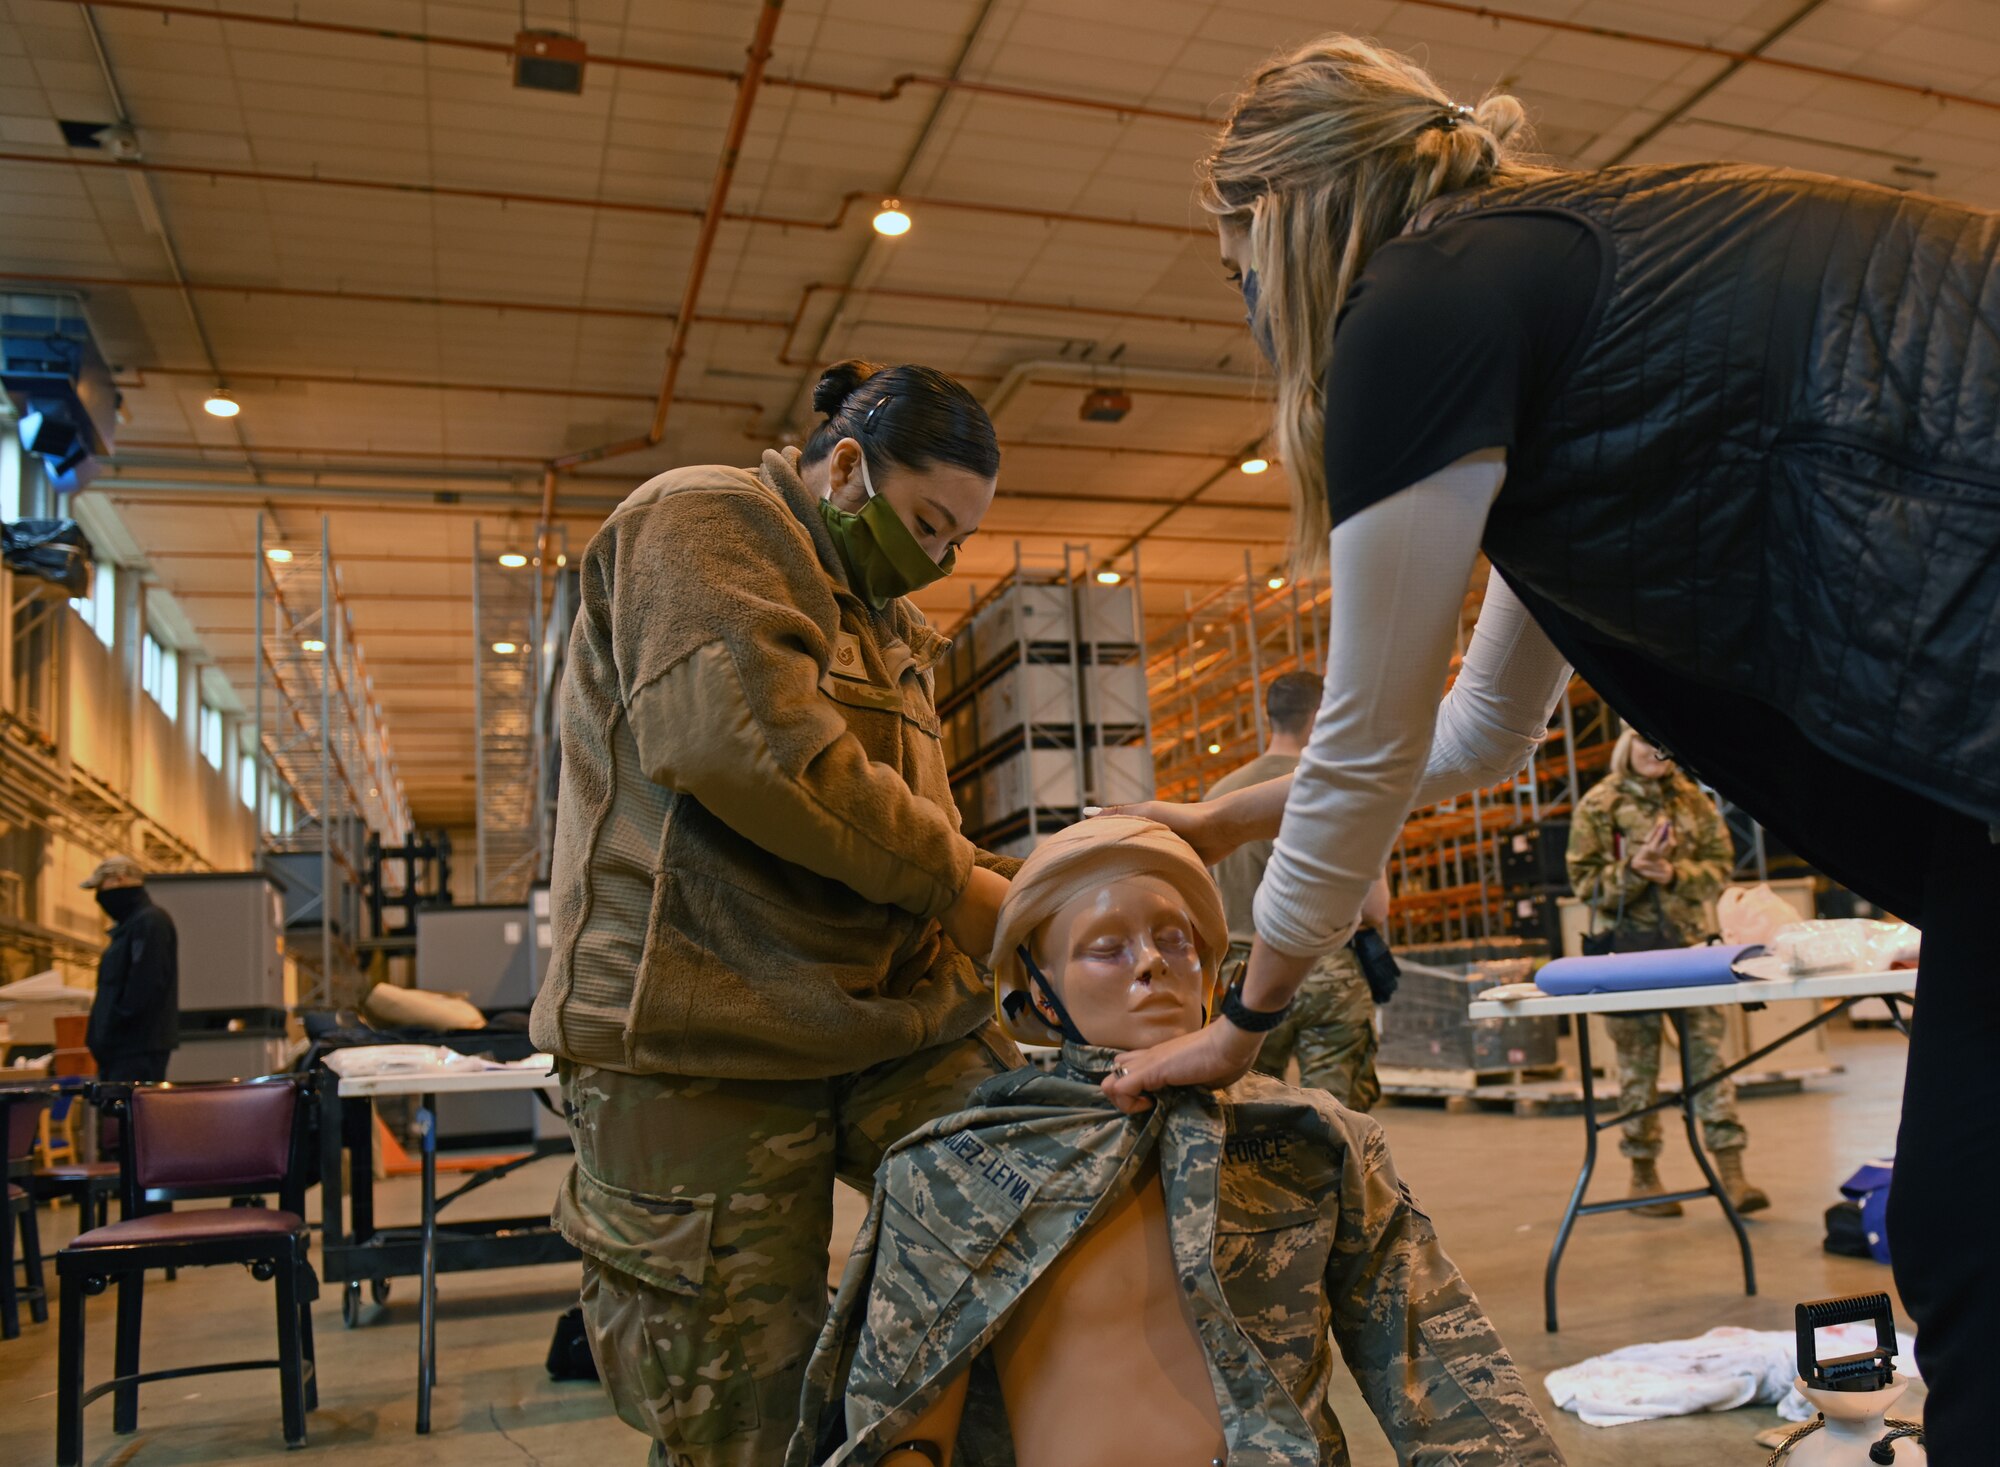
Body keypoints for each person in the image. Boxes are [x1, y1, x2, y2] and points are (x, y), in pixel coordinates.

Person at [1098, 38, 2000, 1458]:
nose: (1256, 309)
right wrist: (1214, 824)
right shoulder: (1579, 321)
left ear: (1279, 213)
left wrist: (1248, 1011)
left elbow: (1368, 728)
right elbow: (1469, 733)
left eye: (1238, 270)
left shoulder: (1424, 301)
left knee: (1972, 1235)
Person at [528, 360, 1024, 1467]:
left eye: (955, 543)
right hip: (703, 1037)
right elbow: (743, 747)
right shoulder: (708, 521)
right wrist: (964, 888)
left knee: (1045, 1224)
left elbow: (909, 818)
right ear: (845, 466)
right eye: (925, 523)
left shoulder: (889, 627)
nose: (935, 561)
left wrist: (1044, 891)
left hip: (873, 1021)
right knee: (742, 1411)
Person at [787, 817, 1561, 1467]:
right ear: (1036, 997)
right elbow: (905, 1425)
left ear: (1211, 972)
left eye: (1174, 939)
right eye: (1106, 946)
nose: (1152, 960)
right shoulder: (954, 1170)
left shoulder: (1315, 1141)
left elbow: (1443, 1374)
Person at [1566, 730, 1769, 1217]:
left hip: (1691, 949)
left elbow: (1720, 866)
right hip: (1629, 957)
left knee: (1709, 1058)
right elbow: (1585, 883)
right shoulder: (1601, 803)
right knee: (1637, 1064)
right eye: (1642, 739)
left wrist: (1676, 875)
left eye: (1661, 742)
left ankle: (1733, 1174)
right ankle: (1643, 1176)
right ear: (1626, 744)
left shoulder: (1692, 801)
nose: (1653, 751)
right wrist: (1634, 871)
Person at [1209, 670, 1385, 1111]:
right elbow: (1376, 908)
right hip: (1326, 971)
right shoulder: (1342, 789)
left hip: (1242, 976)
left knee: (1244, 1117)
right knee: (1338, 1123)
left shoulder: (1219, 796)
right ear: (1320, 716)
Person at [80, 855, 178, 1083]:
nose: (99, 896)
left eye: (100, 887)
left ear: (118, 880)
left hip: (135, 1051)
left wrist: (113, 1029)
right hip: (123, 1051)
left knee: (132, 1116)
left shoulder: (150, 923)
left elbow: (144, 986)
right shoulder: (131, 926)